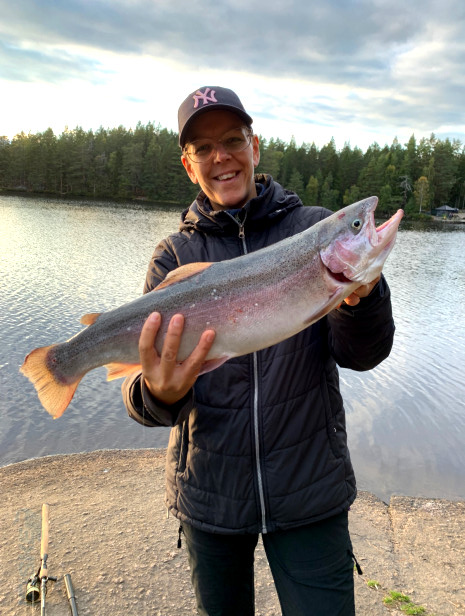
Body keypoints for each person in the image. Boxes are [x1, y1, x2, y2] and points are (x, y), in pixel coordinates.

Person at [122, 86, 395, 616]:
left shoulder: (313, 229)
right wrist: (159, 393)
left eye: (232, 140)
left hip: (310, 491)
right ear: (188, 166)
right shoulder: (174, 256)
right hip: (210, 495)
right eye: (203, 148)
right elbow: (143, 394)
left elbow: (364, 355)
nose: (220, 157)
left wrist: (361, 299)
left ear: (255, 147)